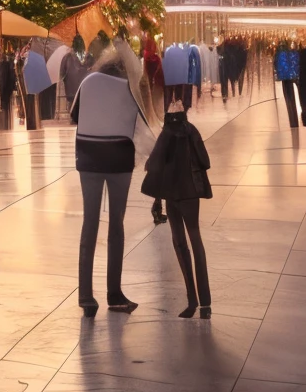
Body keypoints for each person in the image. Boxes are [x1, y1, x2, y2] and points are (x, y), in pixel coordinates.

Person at [69, 50, 149, 316]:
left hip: (89, 156)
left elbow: (75, 116)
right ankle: (114, 294)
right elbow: (142, 124)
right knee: (116, 225)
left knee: (89, 224)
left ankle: (85, 296)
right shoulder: (131, 88)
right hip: (118, 158)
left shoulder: (88, 81)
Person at [142, 105, 212, 317]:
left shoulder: (166, 134)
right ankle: (205, 304)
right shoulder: (192, 130)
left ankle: (192, 300)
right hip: (191, 192)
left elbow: (153, 164)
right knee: (196, 240)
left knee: (180, 243)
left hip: (172, 194)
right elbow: (205, 161)